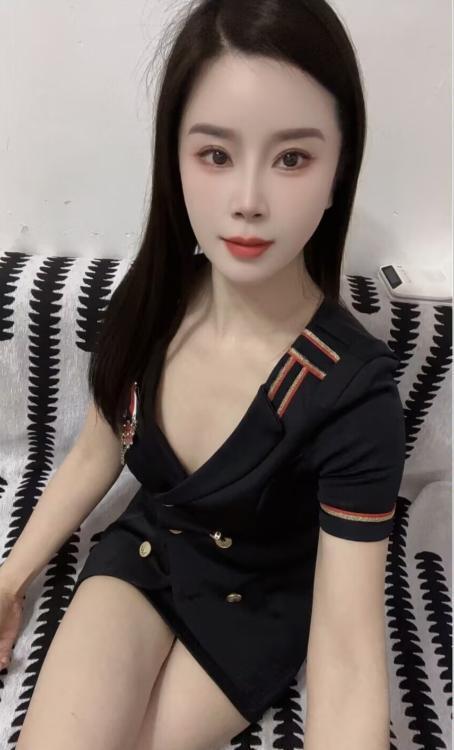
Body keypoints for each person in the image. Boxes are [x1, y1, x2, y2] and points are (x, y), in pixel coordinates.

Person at [0, 1, 406, 748]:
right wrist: (8, 579)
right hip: (145, 553)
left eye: (292, 158)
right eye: (216, 155)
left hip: (258, 605)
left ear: (339, 170)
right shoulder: (151, 303)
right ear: (174, 159)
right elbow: (95, 454)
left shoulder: (352, 396)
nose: (248, 202)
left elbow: (349, 654)